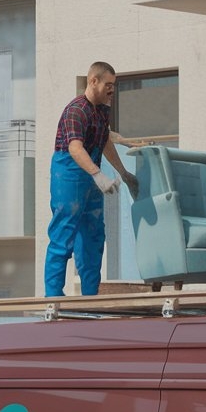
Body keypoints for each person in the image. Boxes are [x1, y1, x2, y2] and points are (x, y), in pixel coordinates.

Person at [44, 61, 139, 297]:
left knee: (93, 237)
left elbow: (104, 140)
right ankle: (53, 296)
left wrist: (123, 173)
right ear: (93, 81)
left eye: (114, 85)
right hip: (68, 174)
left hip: (90, 175)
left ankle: (90, 297)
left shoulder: (102, 109)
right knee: (63, 235)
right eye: (108, 84)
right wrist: (98, 174)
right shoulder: (77, 110)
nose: (112, 90)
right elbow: (75, 147)